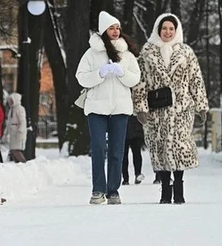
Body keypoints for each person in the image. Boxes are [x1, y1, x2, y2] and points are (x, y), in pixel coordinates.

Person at [133, 13, 209, 204]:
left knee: (179, 146)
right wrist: (141, 107)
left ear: (176, 31)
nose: (167, 32)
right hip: (157, 109)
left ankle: (179, 188)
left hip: (182, 109)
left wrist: (201, 106)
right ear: (158, 30)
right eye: (164, 28)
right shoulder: (147, 52)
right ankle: (165, 189)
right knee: (160, 147)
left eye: (171, 29)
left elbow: (196, 80)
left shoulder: (186, 52)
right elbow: (140, 83)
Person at [76, 11, 141, 205]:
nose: (115, 31)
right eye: (112, 28)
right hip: (96, 107)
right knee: (98, 148)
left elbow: (135, 78)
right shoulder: (91, 53)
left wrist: (121, 72)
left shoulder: (126, 53)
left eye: (117, 28)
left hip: (120, 108)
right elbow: (81, 77)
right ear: (104, 30)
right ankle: (98, 190)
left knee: (116, 150)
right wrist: (100, 73)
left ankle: (113, 190)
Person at [122, 113, 145, 185]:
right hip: (127, 127)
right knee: (125, 155)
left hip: (134, 127)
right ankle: (125, 178)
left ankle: (137, 174)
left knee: (136, 153)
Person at [5, 92, 27, 163]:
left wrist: (20, 131)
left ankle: (24, 163)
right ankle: (17, 164)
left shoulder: (20, 109)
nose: (10, 102)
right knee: (13, 150)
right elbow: (9, 122)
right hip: (13, 133)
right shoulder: (11, 110)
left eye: (11, 100)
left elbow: (22, 121)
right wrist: (6, 133)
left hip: (17, 132)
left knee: (16, 150)